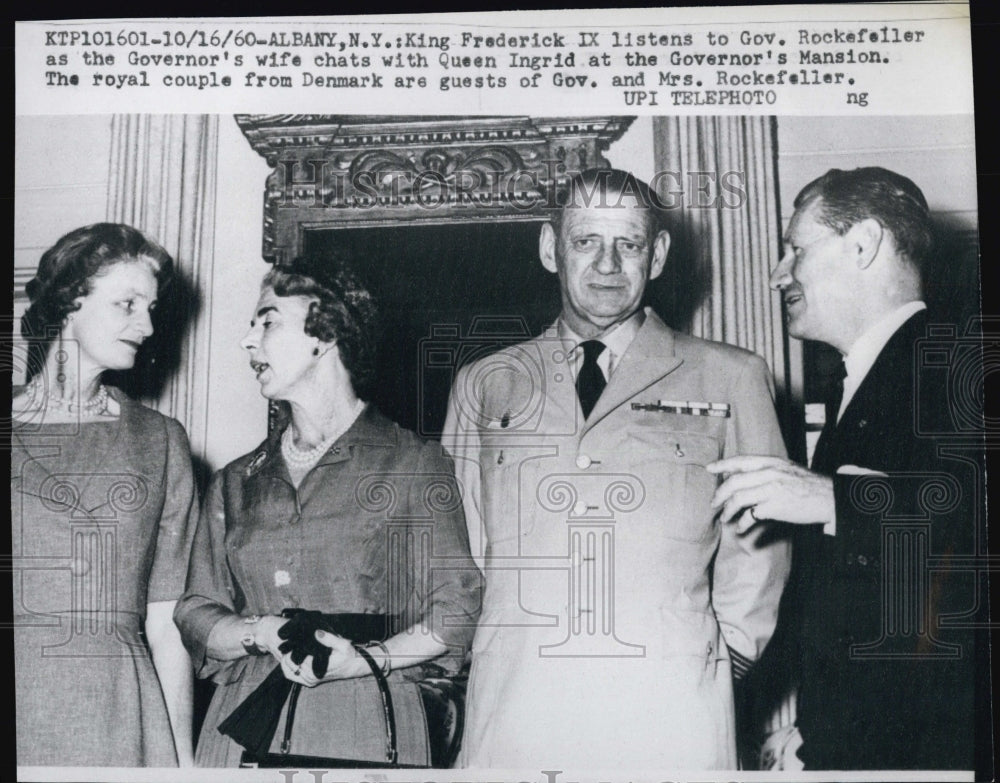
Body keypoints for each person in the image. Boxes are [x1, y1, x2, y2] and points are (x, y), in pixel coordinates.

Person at [442, 168, 791, 768]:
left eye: (628, 244)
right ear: (551, 249)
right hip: (520, 708)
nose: (607, 264)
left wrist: (716, 660)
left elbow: (760, 544)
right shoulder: (485, 383)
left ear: (656, 256)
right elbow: (460, 547)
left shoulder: (731, 375)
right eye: (586, 242)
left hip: (668, 710)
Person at [709, 167, 979, 770]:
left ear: (862, 244)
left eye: (796, 250)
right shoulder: (857, 383)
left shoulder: (961, 364)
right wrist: (815, 728)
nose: (779, 274)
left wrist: (835, 499)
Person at [174, 254, 482, 767]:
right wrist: (259, 632)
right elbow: (195, 610)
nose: (248, 340)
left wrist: (365, 660)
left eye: (267, 321)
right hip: (242, 727)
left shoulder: (413, 462)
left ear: (326, 334)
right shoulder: (234, 480)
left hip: (365, 721)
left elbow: (457, 608)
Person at [10, 223, 197, 766]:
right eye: (127, 304)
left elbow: (168, 622)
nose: (146, 324)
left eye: (151, 307)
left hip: (120, 712)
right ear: (69, 303)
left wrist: (180, 764)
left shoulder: (160, 440)